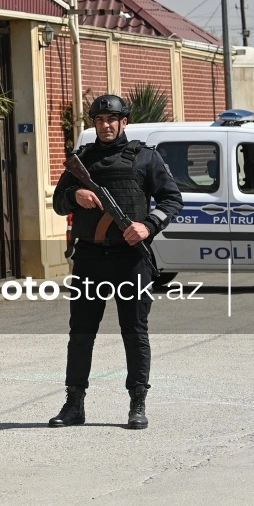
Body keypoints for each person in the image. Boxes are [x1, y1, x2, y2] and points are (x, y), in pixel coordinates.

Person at [49, 94, 183, 429]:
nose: (106, 125)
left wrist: (147, 225)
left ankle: (137, 404)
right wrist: (73, 196)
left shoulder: (144, 158)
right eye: (100, 120)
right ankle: (74, 405)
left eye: (112, 119)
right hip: (90, 258)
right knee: (81, 334)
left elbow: (172, 198)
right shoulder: (81, 160)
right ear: (94, 124)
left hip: (129, 260)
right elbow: (58, 203)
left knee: (134, 332)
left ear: (124, 122)